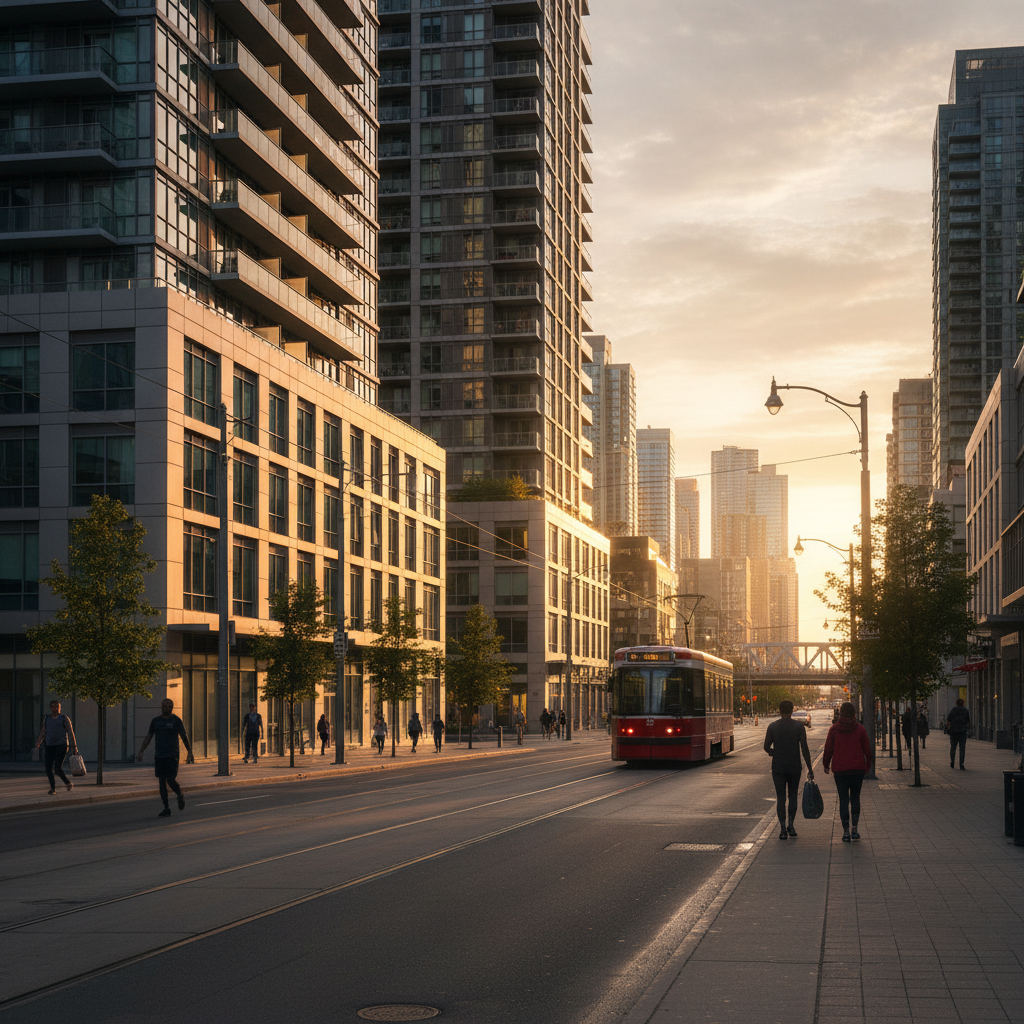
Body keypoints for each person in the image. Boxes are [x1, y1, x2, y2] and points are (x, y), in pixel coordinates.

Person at [763, 699, 814, 840]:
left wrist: (774, 752)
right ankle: (791, 825)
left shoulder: (773, 726)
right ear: (792, 711)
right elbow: (804, 748)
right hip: (794, 766)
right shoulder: (799, 727)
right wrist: (810, 768)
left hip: (778, 767)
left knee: (781, 798)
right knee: (793, 797)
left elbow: (766, 746)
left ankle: (782, 829)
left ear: (780, 711)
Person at [823, 701, 871, 842]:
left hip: (840, 770)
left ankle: (845, 832)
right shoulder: (860, 729)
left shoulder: (834, 729)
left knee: (843, 799)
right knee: (855, 798)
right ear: (854, 713)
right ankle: (854, 829)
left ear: (841, 713)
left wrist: (826, 764)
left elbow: (828, 749)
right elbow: (867, 749)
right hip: (857, 769)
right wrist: (868, 765)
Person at [137, 698, 194, 818]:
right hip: (160, 756)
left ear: (171, 708)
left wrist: (189, 751)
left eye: (168, 707)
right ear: (161, 707)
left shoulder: (176, 721)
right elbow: (149, 736)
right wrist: (141, 751)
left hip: (172, 755)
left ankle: (179, 794)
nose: (166, 708)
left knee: (171, 780)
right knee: (161, 782)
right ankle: (166, 808)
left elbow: (183, 736)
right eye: (164, 706)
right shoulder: (156, 721)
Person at [35, 700, 78, 795]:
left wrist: (74, 747)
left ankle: (67, 782)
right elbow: (43, 731)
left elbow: (71, 733)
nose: (55, 708)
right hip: (49, 745)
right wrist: (38, 742)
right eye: (53, 707)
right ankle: (53, 788)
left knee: (58, 768)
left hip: (61, 745)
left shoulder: (64, 718)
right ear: (50, 708)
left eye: (57, 707)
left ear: (59, 708)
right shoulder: (47, 718)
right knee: (48, 768)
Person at [946, 698, 971, 770]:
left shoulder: (953, 710)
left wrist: (948, 728)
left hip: (954, 731)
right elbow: (968, 721)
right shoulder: (965, 711)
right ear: (963, 704)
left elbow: (948, 720)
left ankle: (952, 761)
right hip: (962, 732)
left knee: (953, 747)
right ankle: (961, 764)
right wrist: (967, 728)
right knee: (962, 748)